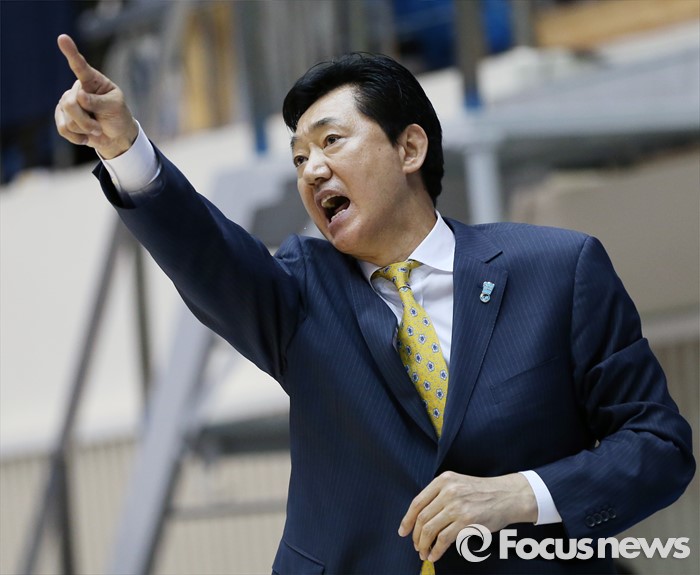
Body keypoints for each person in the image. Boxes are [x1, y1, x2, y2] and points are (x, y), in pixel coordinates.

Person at [55, 34, 694, 574]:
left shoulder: (557, 269)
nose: (311, 170)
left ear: (409, 149)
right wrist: (123, 147)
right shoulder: (299, 292)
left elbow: (658, 446)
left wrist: (523, 494)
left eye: (332, 141)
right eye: (299, 158)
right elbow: (205, 250)